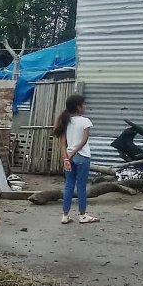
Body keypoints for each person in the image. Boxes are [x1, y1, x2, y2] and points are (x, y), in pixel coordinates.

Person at [53, 94, 99, 224]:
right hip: (82, 157)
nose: (85, 106)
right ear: (78, 107)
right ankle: (83, 215)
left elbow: (62, 143)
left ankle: (65, 216)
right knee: (81, 186)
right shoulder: (85, 121)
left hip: (68, 158)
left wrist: (66, 157)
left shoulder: (65, 121)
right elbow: (84, 141)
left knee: (68, 185)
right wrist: (73, 153)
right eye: (84, 104)